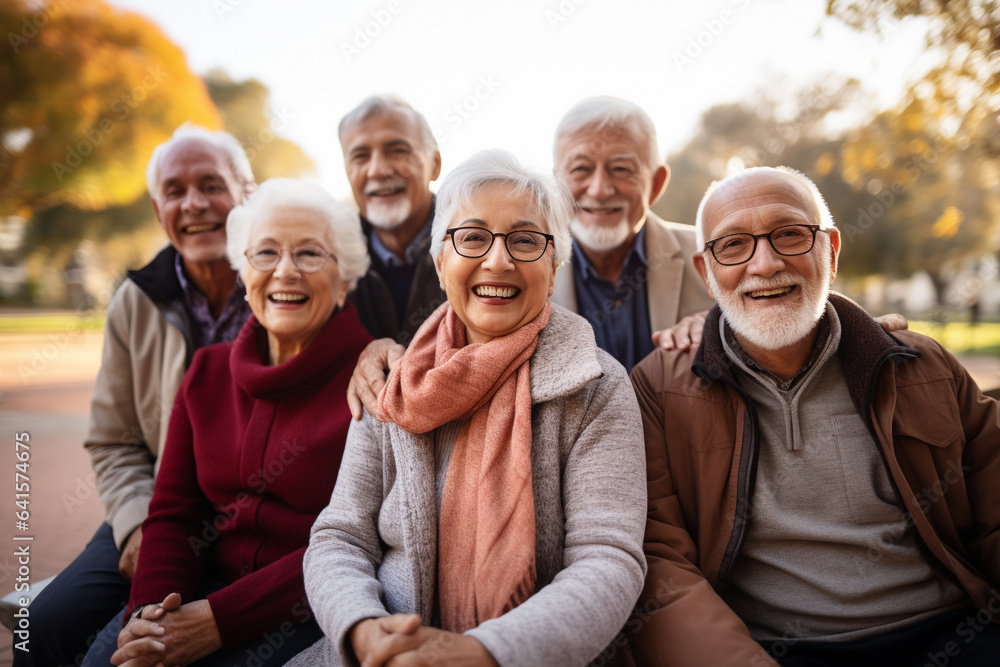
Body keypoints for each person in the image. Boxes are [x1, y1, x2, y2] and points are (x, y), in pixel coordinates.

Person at [630, 166, 1000, 667]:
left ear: (831, 250)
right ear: (706, 273)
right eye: (733, 245)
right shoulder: (659, 389)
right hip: (777, 652)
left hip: (951, 634)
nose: (765, 264)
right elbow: (661, 561)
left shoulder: (924, 367)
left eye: (789, 235)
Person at [289, 149, 647, 667]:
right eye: (472, 238)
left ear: (553, 265)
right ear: (440, 263)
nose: (497, 261)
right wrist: (363, 632)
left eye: (525, 240)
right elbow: (340, 536)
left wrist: (484, 653)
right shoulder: (391, 383)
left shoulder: (597, 385)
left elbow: (607, 561)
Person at [82, 179, 374, 665]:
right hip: (196, 592)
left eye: (309, 254)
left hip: (303, 610)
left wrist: (215, 623)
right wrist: (151, 615)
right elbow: (176, 512)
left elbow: (360, 546)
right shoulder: (206, 371)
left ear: (344, 280)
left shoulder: (372, 382)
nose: (285, 271)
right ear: (243, 273)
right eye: (265, 254)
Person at [17, 125, 256, 667]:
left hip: (250, 521)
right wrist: (135, 524)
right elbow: (114, 441)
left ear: (248, 192)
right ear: (157, 210)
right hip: (155, 508)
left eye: (211, 184)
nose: (193, 203)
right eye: (175, 191)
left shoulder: (284, 284)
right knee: (42, 627)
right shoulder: (134, 301)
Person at [550, 96, 716, 370]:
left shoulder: (718, 257)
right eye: (581, 169)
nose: (600, 190)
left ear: (656, 183)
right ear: (555, 183)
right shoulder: (524, 272)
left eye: (620, 169)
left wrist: (722, 330)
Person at [340, 94, 447, 343]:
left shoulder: (479, 247)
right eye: (360, 156)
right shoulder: (329, 259)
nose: (378, 170)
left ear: (434, 164)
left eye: (398, 151)